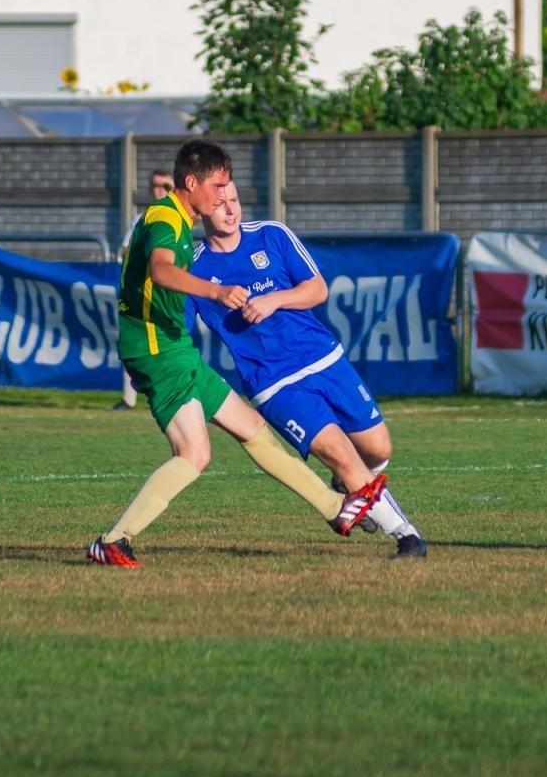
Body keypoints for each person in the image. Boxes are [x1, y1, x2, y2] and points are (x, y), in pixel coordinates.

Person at [87, 140, 381, 568]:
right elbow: (162, 271)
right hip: (157, 351)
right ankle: (114, 540)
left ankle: (336, 508)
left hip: (172, 347)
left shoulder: (177, 218)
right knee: (194, 455)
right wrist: (217, 291)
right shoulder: (166, 219)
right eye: (218, 184)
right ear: (192, 183)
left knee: (253, 428)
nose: (224, 194)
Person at [189, 181, 426, 558]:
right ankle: (407, 536)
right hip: (274, 385)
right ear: (201, 209)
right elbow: (179, 332)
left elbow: (317, 289)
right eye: (220, 204)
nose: (231, 210)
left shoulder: (272, 235)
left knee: (377, 448)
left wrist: (275, 300)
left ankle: (353, 488)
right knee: (344, 457)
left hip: (323, 359)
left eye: (234, 200)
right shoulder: (194, 268)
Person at [112, 169, 174, 411]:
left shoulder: (181, 217)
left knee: (170, 344)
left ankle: (168, 394)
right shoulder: (142, 218)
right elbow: (124, 250)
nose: (160, 191)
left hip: (169, 295)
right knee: (133, 344)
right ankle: (128, 400)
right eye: (155, 186)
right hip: (141, 294)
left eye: (166, 186)